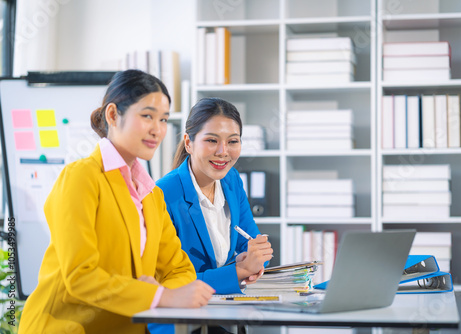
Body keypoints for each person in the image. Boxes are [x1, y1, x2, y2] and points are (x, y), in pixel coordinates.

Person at [19, 70, 214, 334]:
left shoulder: (151, 194)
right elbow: (81, 276)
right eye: (147, 116)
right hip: (65, 327)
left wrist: (161, 290)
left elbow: (180, 269)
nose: (157, 129)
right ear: (113, 115)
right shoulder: (81, 177)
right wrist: (160, 296)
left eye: (164, 119)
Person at [150, 97, 273, 333]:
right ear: (189, 143)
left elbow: (251, 243)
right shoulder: (163, 195)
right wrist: (237, 272)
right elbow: (168, 283)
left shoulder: (232, 180)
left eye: (233, 141)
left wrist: (253, 260)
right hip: (180, 321)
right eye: (211, 140)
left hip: (222, 315)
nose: (223, 152)